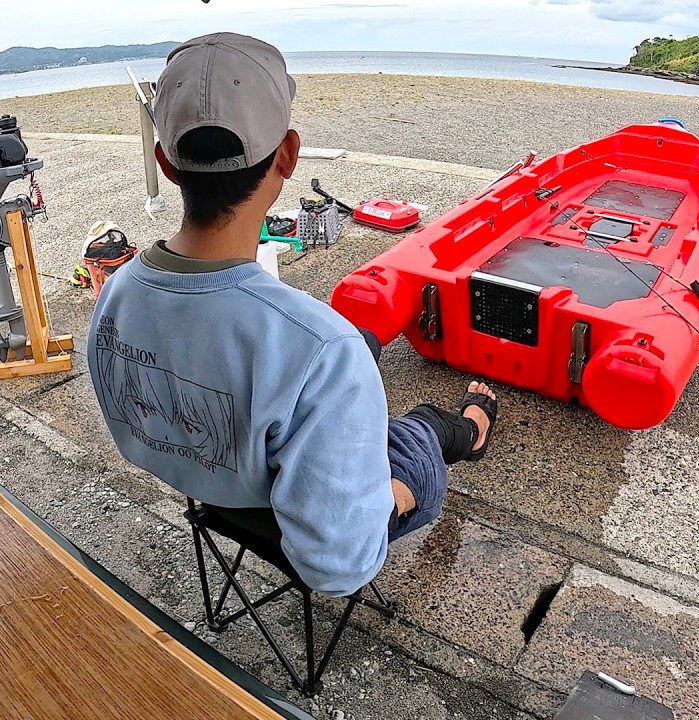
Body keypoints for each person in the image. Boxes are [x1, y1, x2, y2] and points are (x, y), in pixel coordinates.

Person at [88, 33, 498, 597]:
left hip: (212, 486)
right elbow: (339, 567)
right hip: (290, 518)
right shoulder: (321, 350)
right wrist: (394, 493)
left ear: (167, 162)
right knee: (422, 429)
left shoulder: (116, 293)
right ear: (288, 154)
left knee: (338, 354)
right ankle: (473, 428)